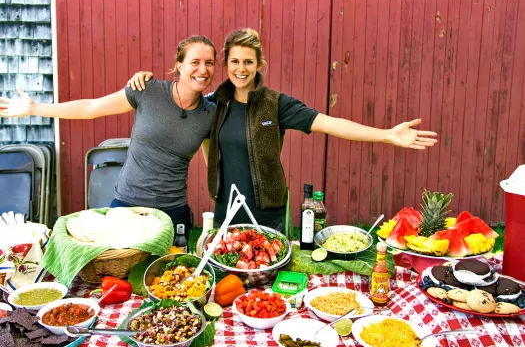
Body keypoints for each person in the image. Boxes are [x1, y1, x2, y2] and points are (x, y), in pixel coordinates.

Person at [127, 28, 438, 233]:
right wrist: (144, 81)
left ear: (259, 64)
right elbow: (205, 138)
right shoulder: (215, 104)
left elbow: (329, 123)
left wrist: (386, 134)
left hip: (267, 214)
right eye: (234, 61)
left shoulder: (277, 105)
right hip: (225, 213)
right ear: (226, 64)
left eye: (248, 61)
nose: (241, 68)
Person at [0, 35, 218, 241]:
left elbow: (213, 169)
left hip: (172, 214)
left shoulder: (210, 115)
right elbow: (91, 107)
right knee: (116, 274)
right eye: (195, 62)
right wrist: (36, 108)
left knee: (168, 277)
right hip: (127, 208)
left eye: (209, 63)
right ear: (179, 65)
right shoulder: (147, 90)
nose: (203, 69)